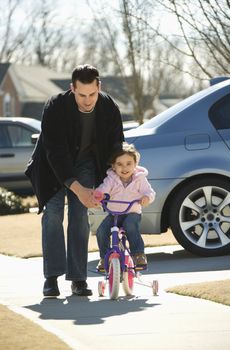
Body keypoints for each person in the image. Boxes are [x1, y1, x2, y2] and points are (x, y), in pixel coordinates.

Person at [25, 64, 124, 297]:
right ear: (72, 89)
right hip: (52, 166)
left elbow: (116, 144)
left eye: (92, 94)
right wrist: (77, 188)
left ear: (99, 86)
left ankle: (78, 279)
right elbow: (55, 152)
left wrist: (118, 176)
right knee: (53, 215)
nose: (88, 100)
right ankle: (51, 278)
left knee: (80, 216)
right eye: (82, 95)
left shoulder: (109, 106)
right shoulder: (55, 106)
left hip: (86, 164)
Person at [94, 142, 155, 271]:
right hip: (114, 214)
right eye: (119, 164)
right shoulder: (111, 178)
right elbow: (103, 189)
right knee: (101, 231)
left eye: (129, 163)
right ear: (113, 166)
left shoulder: (140, 178)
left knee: (130, 225)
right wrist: (99, 196)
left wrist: (146, 198)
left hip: (132, 212)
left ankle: (138, 255)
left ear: (135, 164)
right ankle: (105, 258)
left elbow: (149, 192)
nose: (124, 168)